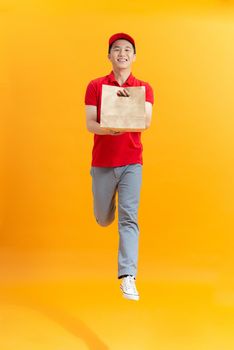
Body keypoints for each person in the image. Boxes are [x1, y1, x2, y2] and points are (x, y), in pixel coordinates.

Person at [85, 32, 154, 301]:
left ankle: (128, 277)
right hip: (102, 162)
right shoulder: (95, 85)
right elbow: (90, 123)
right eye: (116, 49)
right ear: (109, 56)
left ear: (134, 56)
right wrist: (109, 128)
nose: (122, 53)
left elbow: (145, 122)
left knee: (129, 218)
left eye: (127, 49)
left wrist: (127, 103)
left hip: (131, 161)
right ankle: (107, 204)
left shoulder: (143, 88)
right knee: (104, 218)